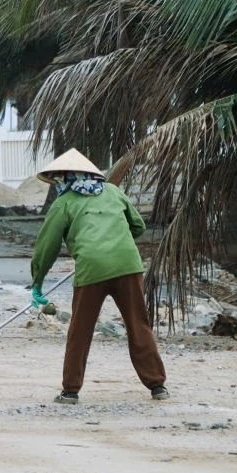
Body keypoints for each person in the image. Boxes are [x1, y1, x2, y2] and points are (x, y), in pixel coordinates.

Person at [30, 149, 169, 405]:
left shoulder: (63, 203)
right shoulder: (114, 192)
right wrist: (115, 241)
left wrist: (37, 282)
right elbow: (137, 225)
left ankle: (71, 391)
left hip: (92, 269)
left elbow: (46, 247)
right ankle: (157, 385)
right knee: (139, 324)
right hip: (128, 264)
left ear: (64, 177)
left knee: (80, 330)